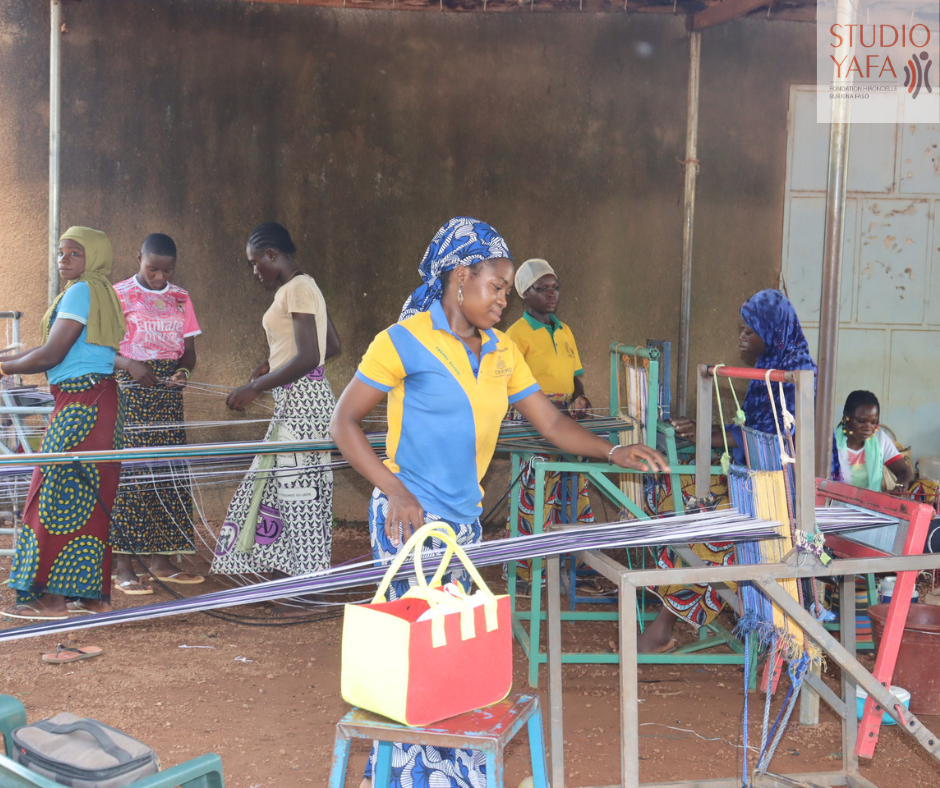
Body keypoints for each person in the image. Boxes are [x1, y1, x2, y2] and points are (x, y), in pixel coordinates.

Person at [329, 216, 670, 788]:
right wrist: (395, 489)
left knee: (447, 658)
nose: (503, 301)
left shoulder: (503, 350)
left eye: (508, 291)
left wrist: (613, 452)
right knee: (426, 658)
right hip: (408, 519)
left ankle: (403, 776)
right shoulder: (404, 340)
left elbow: (552, 423)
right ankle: (409, 778)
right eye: (498, 287)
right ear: (461, 278)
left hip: (461, 525)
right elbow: (344, 422)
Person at [640, 288, 817, 653]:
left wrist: (710, 434)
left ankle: (662, 627)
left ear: (773, 331)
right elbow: (747, 432)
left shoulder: (795, 377)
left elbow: (769, 442)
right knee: (678, 493)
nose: (742, 337)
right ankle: (672, 603)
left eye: (749, 331)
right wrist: (704, 430)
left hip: (780, 493)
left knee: (707, 529)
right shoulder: (767, 369)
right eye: (742, 329)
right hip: (751, 479)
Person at [2, 227, 126, 619]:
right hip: (100, 401)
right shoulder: (102, 291)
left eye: (75, 252)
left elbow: (51, 354)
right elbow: (53, 351)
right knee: (90, 501)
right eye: (61, 252)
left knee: (51, 499)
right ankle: (93, 597)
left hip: (80, 407)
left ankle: (51, 599)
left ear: (96, 257)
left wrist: (2, 366)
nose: (64, 258)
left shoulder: (80, 292)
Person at [211, 222, 340, 580]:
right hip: (301, 400)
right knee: (278, 487)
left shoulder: (296, 289)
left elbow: (310, 356)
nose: (255, 271)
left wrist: (257, 387)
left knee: (301, 496)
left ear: (272, 255)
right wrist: (271, 364)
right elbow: (331, 347)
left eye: (256, 263)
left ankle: (309, 586)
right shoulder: (305, 286)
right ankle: (290, 573)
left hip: (302, 401)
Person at [108, 233, 203, 594]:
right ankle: (124, 565)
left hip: (166, 395)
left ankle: (163, 560)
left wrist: (184, 374)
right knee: (132, 474)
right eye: (152, 269)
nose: (160, 278)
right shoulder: (118, 295)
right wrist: (129, 364)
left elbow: (189, 353)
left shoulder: (180, 297)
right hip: (131, 391)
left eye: (167, 271)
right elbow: (99, 348)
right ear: (138, 259)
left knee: (167, 472)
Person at [504, 258, 597, 594]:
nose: (551, 294)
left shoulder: (565, 330)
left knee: (574, 488)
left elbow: (575, 378)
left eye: (554, 287)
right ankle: (532, 572)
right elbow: (512, 387)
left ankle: (573, 566)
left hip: (566, 419)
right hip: (534, 422)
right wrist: (548, 407)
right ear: (524, 295)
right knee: (537, 492)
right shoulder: (515, 335)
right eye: (542, 289)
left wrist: (581, 399)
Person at [831, 390, 913, 493]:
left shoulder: (879, 439)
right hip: (836, 506)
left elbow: (904, 471)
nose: (868, 428)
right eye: (861, 421)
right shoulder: (831, 442)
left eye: (873, 422)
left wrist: (900, 487)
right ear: (847, 416)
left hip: (871, 504)